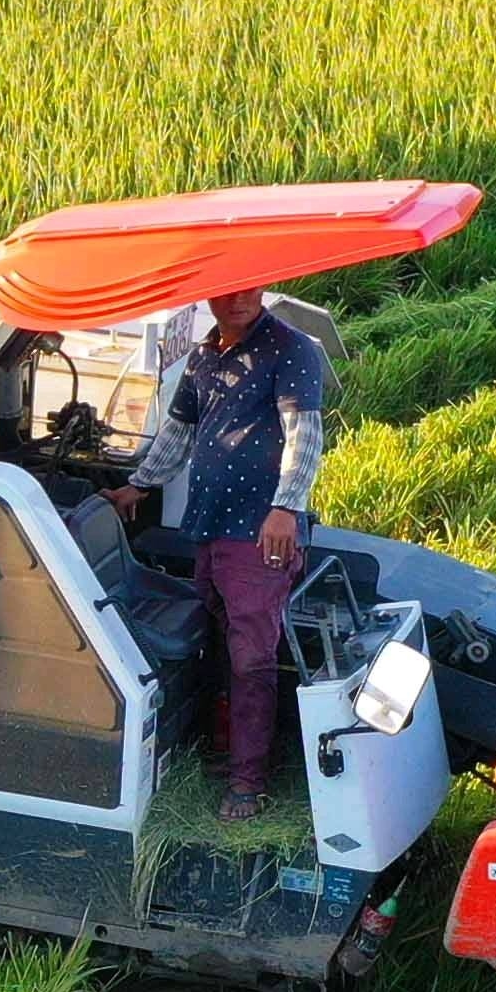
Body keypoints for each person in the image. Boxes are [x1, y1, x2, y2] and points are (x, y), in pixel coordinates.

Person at [109, 285, 333, 814]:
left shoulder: (290, 348)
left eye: (250, 288)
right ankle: (224, 749)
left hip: (259, 532)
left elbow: (305, 435)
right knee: (216, 638)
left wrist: (285, 508)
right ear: (210, 296)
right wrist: (138, 484)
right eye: (227, 291)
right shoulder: (205, 355)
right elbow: (180, 430)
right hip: (210, 525)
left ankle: (248, 782)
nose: (240, 299)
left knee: (252, 655)